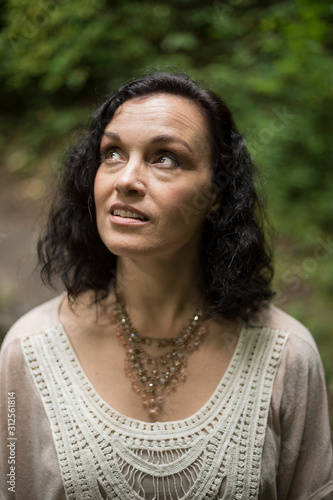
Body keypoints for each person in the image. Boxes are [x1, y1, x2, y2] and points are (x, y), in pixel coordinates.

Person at [0, 72, 332, 500]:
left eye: (165, 158)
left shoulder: (286, 357)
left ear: (216, 194)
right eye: (113, 153)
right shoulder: (28, 352)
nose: (126, 180)